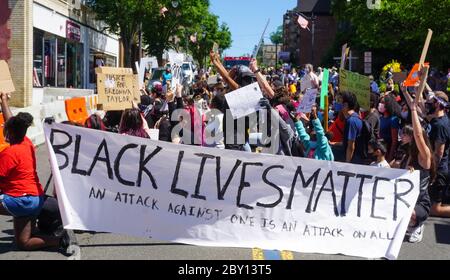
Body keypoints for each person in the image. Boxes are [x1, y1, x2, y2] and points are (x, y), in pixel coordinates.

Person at [0, 92, 65, 251]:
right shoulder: (26, 143)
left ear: (10, 133)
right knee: (24, 241)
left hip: (22, 201)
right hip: (35, 198)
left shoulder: (9, 153)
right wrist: (3, 101)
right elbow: (12, 121)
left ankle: (59, 240)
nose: (3, 129)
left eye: (4, 128)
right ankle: (55, 239)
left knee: (24, 243)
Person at [400, 75, 434, 243]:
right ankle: (409, 222)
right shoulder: (409, 155)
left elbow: (419, 133)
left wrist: (413, 109)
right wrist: (405, 92)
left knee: (409, 214)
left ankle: (417, 223)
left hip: (420, 202)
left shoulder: (425, 156)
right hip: (406, 196)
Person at [426, 91, 450, 176]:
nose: (427, 104)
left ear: (437, 104)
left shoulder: (440, 125)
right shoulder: (435, 119)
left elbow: (438, 154)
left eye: (430, 102)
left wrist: (432, 174)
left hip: (438, 172)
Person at [341, 92, 363, 164]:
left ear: (346, 105)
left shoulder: (351, 121)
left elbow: (351, 146)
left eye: (342, 104)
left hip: (353, 161)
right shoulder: (356, 118)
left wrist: (347, 164)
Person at [378, 95, 401, 162]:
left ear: (388, 104)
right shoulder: (380, 118)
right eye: (380, 102)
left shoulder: (393, 119)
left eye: (383, 102)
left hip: (387, 150)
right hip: (380, 149)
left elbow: (394, 141)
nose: (380, 104)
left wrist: (389, 158)